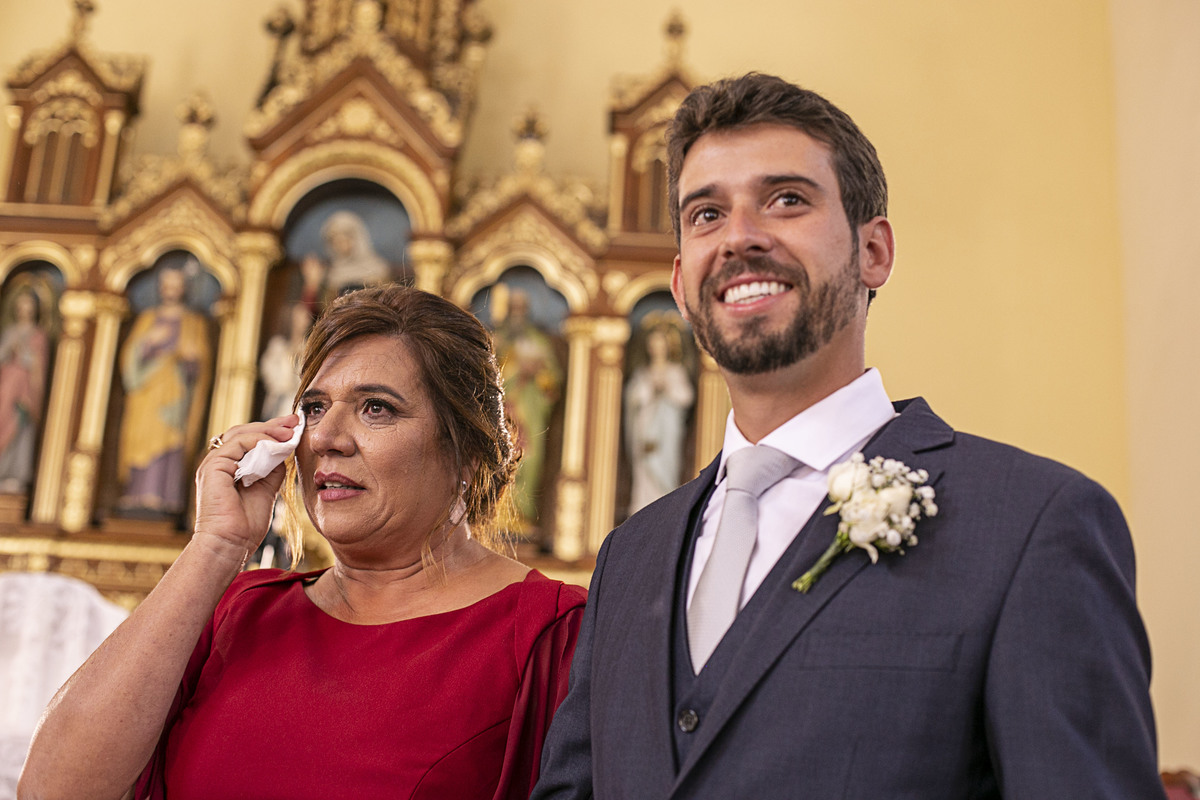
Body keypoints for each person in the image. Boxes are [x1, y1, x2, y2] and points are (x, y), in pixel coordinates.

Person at [531, 73, 1163, 799]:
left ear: (874, 253)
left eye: (787, 200)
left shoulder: (1033, 524)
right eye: (706, 214)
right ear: (679, 284)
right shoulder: (629, 558)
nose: (740, 236)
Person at [20, 285, 587, 800]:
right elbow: (52, 791)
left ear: (466, 448)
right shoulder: (237, 610)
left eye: (376, 408)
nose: (326, 438)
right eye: (314, 408)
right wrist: (215, 545)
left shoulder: (551, 633)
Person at [115, 266, 213, 515]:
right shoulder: (148, 319)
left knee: (169, 443)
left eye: (177, 284)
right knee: (141, 440)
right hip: (145, 395)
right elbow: (130, 361)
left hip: (174, 395)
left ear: (184, 288)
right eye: (167, 284)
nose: (171, 290)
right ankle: (136, 495)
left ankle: (162, 497)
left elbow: (200, 366)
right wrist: (148, 343)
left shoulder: (193, 322)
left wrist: (190, 360)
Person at [491, 287, 563, 540]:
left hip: (529, 411)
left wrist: (537, 374)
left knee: (527, 462)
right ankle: (494, 513)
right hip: (501, 411)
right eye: (514, 309)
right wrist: (514, 372)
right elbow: (485, 376)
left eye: (522, 309)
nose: (518, 314)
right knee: (497, 459)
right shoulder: (497, 340)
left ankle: (521, 515)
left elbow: (552, 382)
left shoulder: (538, 342)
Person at [624, 318, 694, 514]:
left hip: (667, 433)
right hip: (645, 429)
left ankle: (663, 507)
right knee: (644, 471)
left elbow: (685, 397)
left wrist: (667, 389)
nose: (655, 348)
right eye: (652, 344)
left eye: (659, 344)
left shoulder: (675, 372)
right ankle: (641, 508)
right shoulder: (643, 373)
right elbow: (633, 398)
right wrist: (648, 390)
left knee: (665, 467)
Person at [0, 286, 51, 494]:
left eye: (29, 305)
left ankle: (14, 474)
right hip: (6, 387)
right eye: (22, 305)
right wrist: (9, 350)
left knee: (20, 429)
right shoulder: (10, 332)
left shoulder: (38, 336)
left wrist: (24, 356)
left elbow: (38, 366)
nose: (25, 309)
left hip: (25, 391)